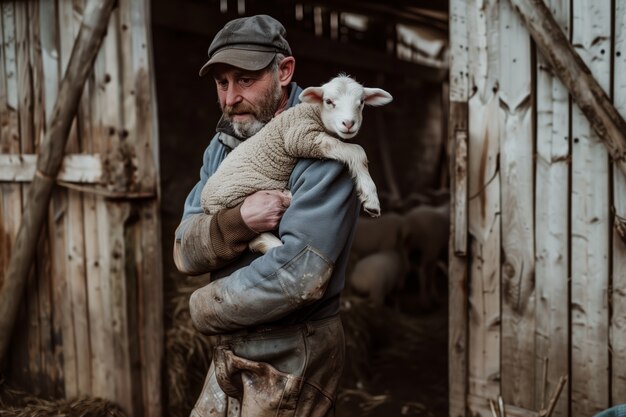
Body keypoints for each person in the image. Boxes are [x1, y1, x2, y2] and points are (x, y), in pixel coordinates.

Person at [173, 14, 360, 416]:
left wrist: (204, 306)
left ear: (285, 71)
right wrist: (239, 221)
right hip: (230, 345)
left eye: (245, 79)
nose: (229, 99)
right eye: (222, 83)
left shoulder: (322, 146)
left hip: (292, 351)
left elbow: (301, 275)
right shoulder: (223, 144)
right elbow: (184, 247)